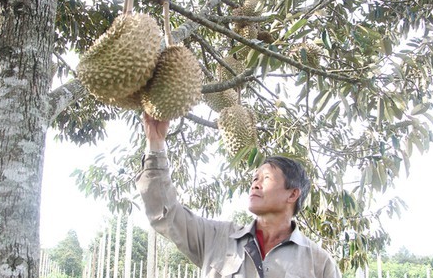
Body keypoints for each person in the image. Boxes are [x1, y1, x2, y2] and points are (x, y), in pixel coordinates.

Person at [138, 113, 341, 278]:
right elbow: (165, 214)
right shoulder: (216, 238)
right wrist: (155, 145)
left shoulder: (319, 263)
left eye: (266, 178)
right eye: (254, 179)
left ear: (293, 194)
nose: (255, 184)